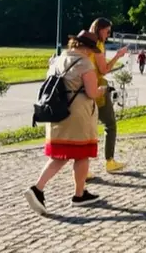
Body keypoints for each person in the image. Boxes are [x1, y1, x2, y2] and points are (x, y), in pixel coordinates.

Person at [25, 30, 106, 214]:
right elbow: (92, 92)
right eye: (92, 49)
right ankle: (78, 195)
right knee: (82, 153)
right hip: (77, 114)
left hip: (58, 111)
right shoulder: (84, 63)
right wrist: (102, 90)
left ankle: (39, 188)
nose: (92, 53)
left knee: (60, 155)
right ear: (86, 48)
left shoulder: (58, 60)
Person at [88, 18, 129, 175]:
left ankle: (82, 170)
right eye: (107, 31)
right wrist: (118, 56)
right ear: (100, 30)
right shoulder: (98, 46)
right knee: (110, 125)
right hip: (98, 90)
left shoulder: (87, 44)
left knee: (87, 129)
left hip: (85, 90)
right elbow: (104, 70)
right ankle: (109, 161)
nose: (108, 34)